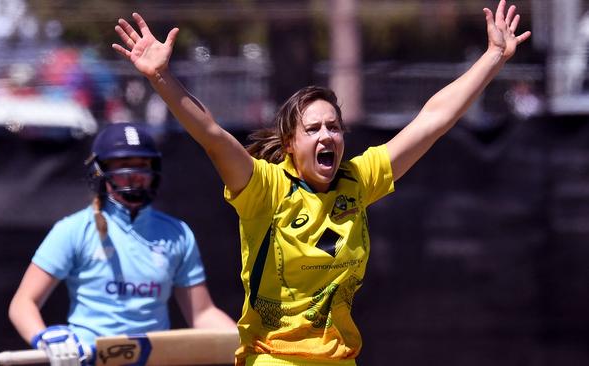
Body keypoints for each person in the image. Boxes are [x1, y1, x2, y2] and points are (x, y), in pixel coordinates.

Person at [111, 1, 530, 365]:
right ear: (291, 144)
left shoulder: (358, 180)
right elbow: (212, 136)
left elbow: (433, 120)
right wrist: (161, 78)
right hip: (273, 359)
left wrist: (494, 56)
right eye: (312, 129)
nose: (326, 135)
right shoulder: (266, 188)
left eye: (334, 126)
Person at [8, 122, 236, 365]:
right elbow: (23, 303)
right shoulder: (73, 230)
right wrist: (45, 337)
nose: (135, 176)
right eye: (123, 165)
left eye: (142, 166)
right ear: (100, 171)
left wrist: (245, 345)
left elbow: (202, 314)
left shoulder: (177, 234)